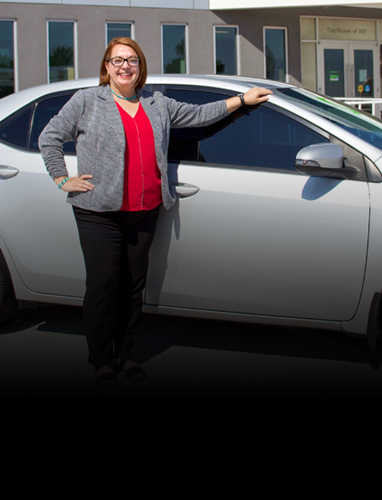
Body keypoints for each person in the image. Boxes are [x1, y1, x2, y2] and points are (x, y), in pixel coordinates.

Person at [39, 37, 272, 388]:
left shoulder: (156, 103)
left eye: (131, 60)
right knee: (102, 288)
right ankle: (101, 359)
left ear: (140, 66)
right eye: (117, 60)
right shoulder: (88, 101)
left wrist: (241, 100)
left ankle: (125, 353)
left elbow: (198, 115)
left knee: (133, 288)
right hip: (98, 212)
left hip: (145, 210)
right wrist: (61, 179)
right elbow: (50, 137)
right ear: (106, 67)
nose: (124, 67)